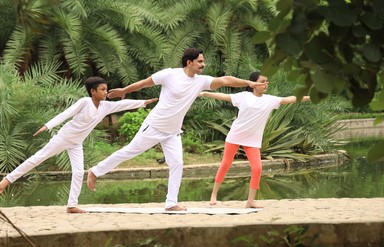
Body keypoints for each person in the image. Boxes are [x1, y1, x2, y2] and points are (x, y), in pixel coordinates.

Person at [86, 47, 265, 211]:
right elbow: (144, 83)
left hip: (172, 132)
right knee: (129, 152)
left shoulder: (201, 81)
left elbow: (225, 80)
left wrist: (248, 83)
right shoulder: (169, 75)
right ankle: (95, 171)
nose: (204, 64)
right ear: (190, 62)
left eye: (203, 61)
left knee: (177, 163)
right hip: (155, 125)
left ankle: (171, 203)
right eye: (200, 61)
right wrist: (124, 90)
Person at [0, 77, 157, 213]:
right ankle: (6, 181)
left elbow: (124, 105)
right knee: (37, 158)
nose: (106, 92)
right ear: (92, 91)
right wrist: (47, 126)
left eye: (106, 89)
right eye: (102, 89)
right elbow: (66, 114)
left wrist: (143, 102)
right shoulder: (84, 102)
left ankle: (72, 205)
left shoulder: (105, 106)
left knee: (78, 172)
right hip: (63, 137)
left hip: (76, 143)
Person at [200, 71, 311, 208]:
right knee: (226, 164)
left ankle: (250, 201)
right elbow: (224, 96)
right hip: (236, 135)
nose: (266, 84)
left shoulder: (270, 100)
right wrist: (205, 93)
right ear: (253, 84)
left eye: (267, 81)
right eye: (262, 81)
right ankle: (214, 194)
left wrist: (310, 97)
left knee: (257, 168)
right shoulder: (244, 96)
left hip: (252, 139)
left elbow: (290, 99)